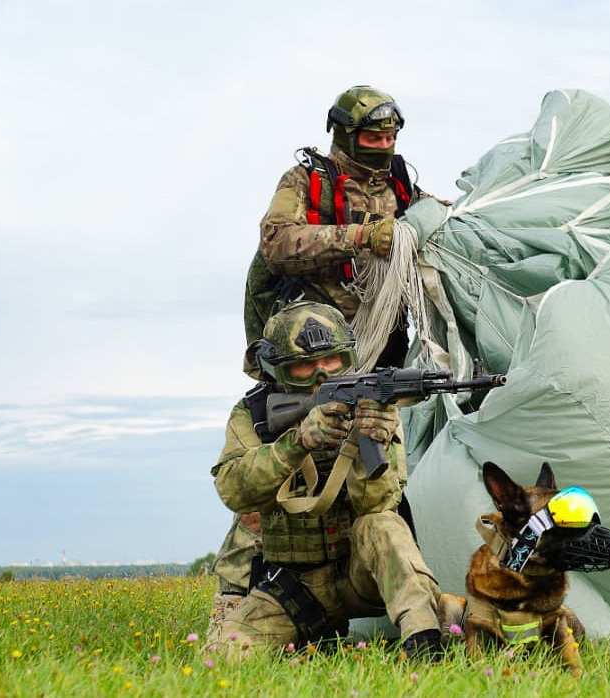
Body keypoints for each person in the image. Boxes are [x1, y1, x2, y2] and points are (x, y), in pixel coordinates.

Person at [206, 300, 443, 660]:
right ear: (279, 371)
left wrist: (374, 439)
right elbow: (233, 488)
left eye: (333, 361)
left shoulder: (375, 404)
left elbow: (376, 505)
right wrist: (296, 442)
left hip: (361, 576)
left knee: (382, 525)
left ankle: (425, 643)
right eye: (304, 366)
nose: (321, 374)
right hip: (294, 585)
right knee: (223, 657)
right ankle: (311, 641)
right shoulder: (254, 414)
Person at [244, 85, 439, 368]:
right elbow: (277, 243)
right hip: (315, 351)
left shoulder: (402, 188)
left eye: (389, 138)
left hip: (386, 348)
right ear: (345, 135)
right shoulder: (307, 181)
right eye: (373, 138)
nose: (384, 146)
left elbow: (442, 224)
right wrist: (361, 236)